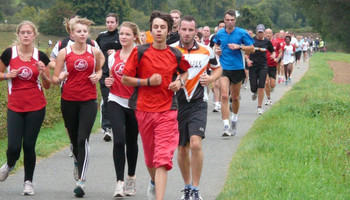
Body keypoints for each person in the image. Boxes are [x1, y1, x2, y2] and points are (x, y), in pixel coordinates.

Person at [121, 10, 190, 200]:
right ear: (151, 30)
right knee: (151, 157)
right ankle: (153, 182)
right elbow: (126, 79)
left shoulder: (175, 54)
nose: (159, 31)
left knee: (162, 159)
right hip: (143, 110)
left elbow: (185, 72)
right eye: (156, 27)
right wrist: (148, 82)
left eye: (163, 27)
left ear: (169, 31)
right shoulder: (140, 52)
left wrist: (180, 82)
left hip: (168, 110)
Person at [52, 16, 103, 197]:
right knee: (74, 141)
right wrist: (61, 77)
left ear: (88, 34)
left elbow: (99, 68)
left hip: (89, 100)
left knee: (83, 139)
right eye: (78, 31)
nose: (82, 34)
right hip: (69, 100)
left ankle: (81, 181)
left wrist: (97, 75)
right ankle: (76, 161)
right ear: (72, 34)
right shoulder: (64, 53)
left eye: (85, 31)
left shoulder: (94, 51)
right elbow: (54, 79)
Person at [172, 15, 222, 200]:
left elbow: (218, 68)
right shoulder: (171, 50)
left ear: (196, 31)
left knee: (195, 143)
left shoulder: (206, 50)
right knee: (182, 148)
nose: (186, 33)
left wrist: (211, 78)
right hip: (177, 104)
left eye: (190, 30)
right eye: (183, 29)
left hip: (199, 102)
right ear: (179, 30)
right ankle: (186, 186)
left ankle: (196, 188)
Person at [0, 21, 51, 196]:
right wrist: (7, 74)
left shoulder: (41, 56)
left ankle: (28, 182)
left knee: (29, 145)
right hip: (15, 106)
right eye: (23, 32)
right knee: (14, 147)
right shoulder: (9, 53)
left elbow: (48, 85)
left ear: (34, 35)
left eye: (29, 32)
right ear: (18, 34)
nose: (26, 35)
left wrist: (43, 73)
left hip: (36, 106)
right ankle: (9, 164)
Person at [104, 21, 141, 197]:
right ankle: (119, 182)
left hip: (134, 103)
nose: (123, 37)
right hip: (115, 100)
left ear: (134, 36)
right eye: (121, 34)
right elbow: (109, 77)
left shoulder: (141, 56)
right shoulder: (113, 57)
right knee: (119, 140)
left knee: (132, 141)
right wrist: (107, 81)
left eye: (127, 34)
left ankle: (131, 177)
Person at [213, 9, 255, 136]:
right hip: (224, 68)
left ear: (235, 21)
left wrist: (239, 47)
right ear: (224, 21)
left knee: (235, 97)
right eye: (227, 20)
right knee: (224, 96)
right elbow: (216, 46)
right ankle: (226, 126)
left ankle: (234, 119)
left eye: (232, 20)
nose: (229, 22)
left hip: (237, 68)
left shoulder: (242, 33)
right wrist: (218, 51)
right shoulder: (220, 34)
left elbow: (252, 49)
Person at [96, 13, 123, 142]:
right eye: (108, 22)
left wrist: (117, 52)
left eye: (112, 22)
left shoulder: (122, 36)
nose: (110, 24)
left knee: (119, 100)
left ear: (117, 23)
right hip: (105, 73)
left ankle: (121, 125)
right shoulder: (101, 37)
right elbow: (95, 52)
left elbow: (130, 51)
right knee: (107, 100)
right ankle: (107, 128)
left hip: (120, 74)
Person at [246, 24, 275, 115]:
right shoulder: (251, 41)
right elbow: (246, 53)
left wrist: (273, 55)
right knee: (253, 87)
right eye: (259, 32)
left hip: (263, 66)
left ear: (264, 33)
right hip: (253, 66)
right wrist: (248, 60)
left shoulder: (267, 42)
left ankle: (259, 107)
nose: (260, 34)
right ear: (256, 32)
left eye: (262, 32)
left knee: (262, 85)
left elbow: (272, 51)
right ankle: (254, 92)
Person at [264, 28, 281, 106]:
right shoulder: (262, 42)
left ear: (272, 34)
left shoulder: (276, 42)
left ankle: (270, 89)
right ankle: (268, 99)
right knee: (266, 82)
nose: (268, 34)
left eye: (269, 33)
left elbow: (280, 51)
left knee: (272, 84)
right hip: (264, 65)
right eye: (266, 33)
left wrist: (278, 58)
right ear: (264, 34)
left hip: (273, 65)